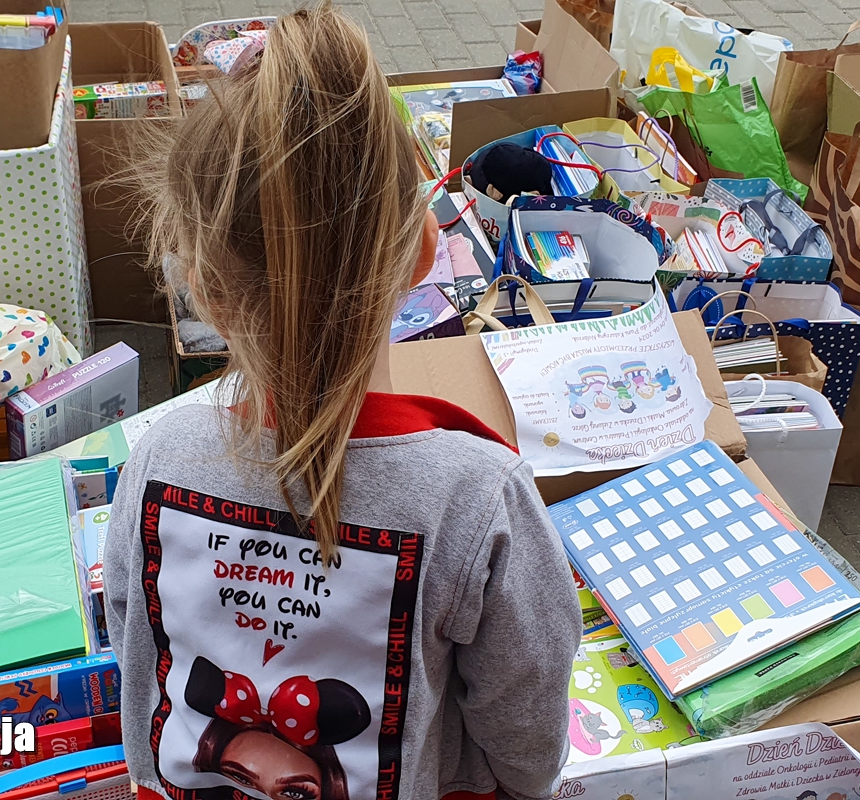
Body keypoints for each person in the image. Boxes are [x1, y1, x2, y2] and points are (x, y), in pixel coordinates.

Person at [102, 4, 580, 799]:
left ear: (205, 290)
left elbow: (138, 657)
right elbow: (528, 757)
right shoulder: (479, 497)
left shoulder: (158, 459)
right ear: (424, 249)